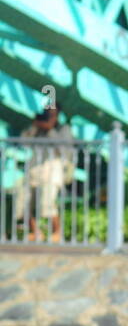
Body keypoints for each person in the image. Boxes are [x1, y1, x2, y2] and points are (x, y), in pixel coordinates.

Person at [16, 104, 74, 242]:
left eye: (52, 113)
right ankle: (36, 232)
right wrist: (35, 126)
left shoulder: (63, 129)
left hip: (52, 169)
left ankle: (57, 232)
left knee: (47, 202)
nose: (49, 116)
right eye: (47, 113)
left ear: (58, 114)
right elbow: (23, 142)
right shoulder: (38, 129)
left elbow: (65, 151)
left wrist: (50, 129)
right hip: (34, 168)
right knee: (24, 201)